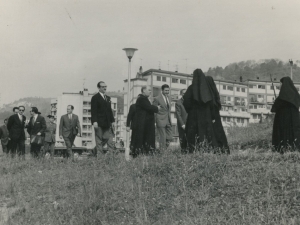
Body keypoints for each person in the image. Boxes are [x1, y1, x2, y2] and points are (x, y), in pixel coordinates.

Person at [183, 69, 216, 152]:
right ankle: (206, 150)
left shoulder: (191, 88)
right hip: (206, 116)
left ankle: (192, 150)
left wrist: (190, 110)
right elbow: (212, 104)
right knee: (206, 134)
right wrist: (212, 116)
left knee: (192, 135)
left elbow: (186, 101)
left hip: (193, 116)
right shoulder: (208, 89)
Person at [271, 76, 300, 153]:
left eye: (280, 83)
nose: (279, 85)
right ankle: (294, 149)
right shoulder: (296, 95)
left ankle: (282, 150)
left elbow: (273, 109)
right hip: (294, 121)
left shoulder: (281, 98)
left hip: (282, 121)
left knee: (282, 134)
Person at [131, 86, 160, 157]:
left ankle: (144, 154)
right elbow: (149, 107)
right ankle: (141, 154)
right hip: (142, 124)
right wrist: (157, 108)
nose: (150, 92)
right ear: (144, 90)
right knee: (142, 140)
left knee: (144, 139)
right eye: (149, 90)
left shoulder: (144, 99)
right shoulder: (141, 99)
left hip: (145, 124)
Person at [206, 76, 230, 154]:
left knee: (214, 133)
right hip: (216, 116)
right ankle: (224, 150)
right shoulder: (215, 92)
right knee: (219, 133)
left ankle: (218, 150)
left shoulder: (209, 93)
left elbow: (211, 106)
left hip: (212, 116)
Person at [91, 81, 115, 156]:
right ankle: (99, 157)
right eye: (102, 86)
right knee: (99, 140)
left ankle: (94, 152)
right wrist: (94, 121)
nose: (105, 88)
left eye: (105, 86)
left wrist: (112, 121)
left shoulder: (108, 98)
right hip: (99, 123)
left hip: (107, 123)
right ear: (99, 88)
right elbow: (93, 110)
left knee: (107, 138)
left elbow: (109, 111)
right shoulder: (95, 98)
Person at [153, 84, 172, 149]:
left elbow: (168, 109)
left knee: (169, 137)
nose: (167, 92)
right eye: (166, 90)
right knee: (162, 137)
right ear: (162, 90)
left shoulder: (169, 98)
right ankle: (162, 152)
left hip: (168, 120)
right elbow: (154, 111)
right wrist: (155, 121)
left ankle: (164, 149)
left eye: (168, 90)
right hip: (160, 120)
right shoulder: (157, 98)